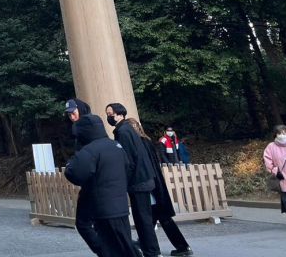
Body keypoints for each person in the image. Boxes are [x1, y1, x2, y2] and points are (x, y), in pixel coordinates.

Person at [64, 112, 139, 257]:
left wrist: (70, 165)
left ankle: (104, 251)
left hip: (101, 204)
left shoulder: (90, 150)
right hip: (120, 203)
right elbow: (129, 168)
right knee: (122, 240)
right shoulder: (116, 146)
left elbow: (75, 173)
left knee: (112, 242)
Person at [127, 118, 194, 256]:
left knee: (149, 216)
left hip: (146, 183)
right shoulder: (148, 141)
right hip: (156, 182)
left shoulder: (138, 144)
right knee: (159, 215)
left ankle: (151, 246)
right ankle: (182, 246)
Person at [106, 103, 162, 257]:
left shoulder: (123, 131)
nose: (108, 116)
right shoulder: (128, 129)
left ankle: (152, 251)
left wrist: (124, 179)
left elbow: (128, 159)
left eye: (110, 113)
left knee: (142, 219)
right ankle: (149, 249)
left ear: (119, 114)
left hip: (138, 181)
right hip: (143, 178)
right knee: (143, 217)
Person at [64, 99, 103, 256]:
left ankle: (107, 251)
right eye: (69, 114)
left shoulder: (89, 129)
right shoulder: (82, 129)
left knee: (85, 223)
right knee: (101, 223)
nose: (72, 117)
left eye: (73, 112)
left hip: (95, 182)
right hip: (95, 182)